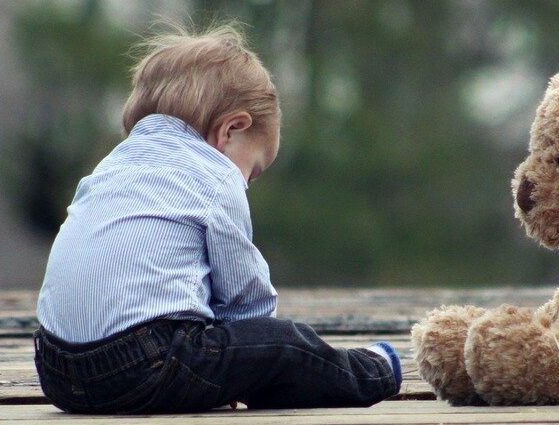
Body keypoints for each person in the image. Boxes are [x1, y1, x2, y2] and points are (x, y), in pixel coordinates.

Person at [33, 24, 401, 414]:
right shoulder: (215, 175)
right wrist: (256, 358)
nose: (246, 183)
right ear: (231, 129)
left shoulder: (112, 165)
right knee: (287, 345)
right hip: (143, 365)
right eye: (253, 171)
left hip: (56, 370)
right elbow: (246, 302)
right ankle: (374, 370)